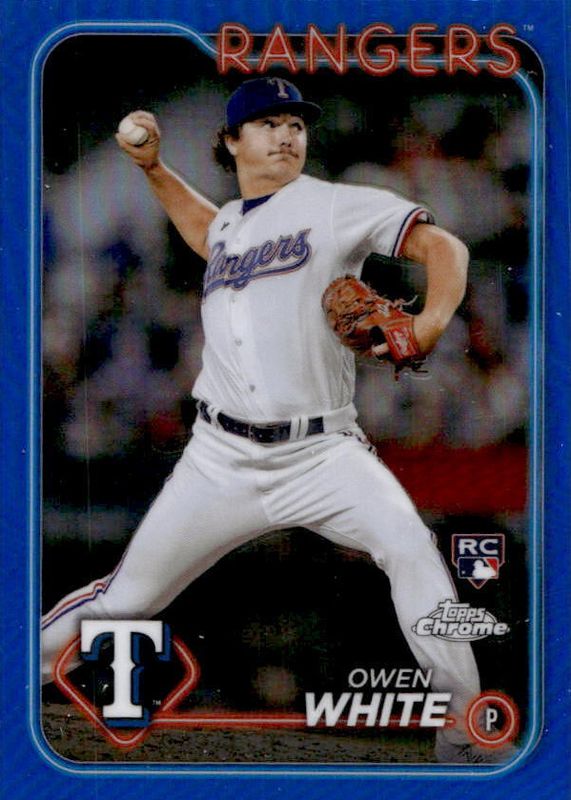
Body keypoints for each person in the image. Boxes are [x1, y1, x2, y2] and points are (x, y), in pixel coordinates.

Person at [42, 77, 507, 764]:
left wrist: (430, 320)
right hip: (220, 460)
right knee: (124, 601)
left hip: (322, 453)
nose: (287, 134)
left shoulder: (336, 204)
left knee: (410, 549)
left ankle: (464, 730)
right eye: (268, 123)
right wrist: (153, 168)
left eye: (295, 123)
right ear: (232, 142)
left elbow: (447, 250)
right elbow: (206, 232)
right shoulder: (231, 224)